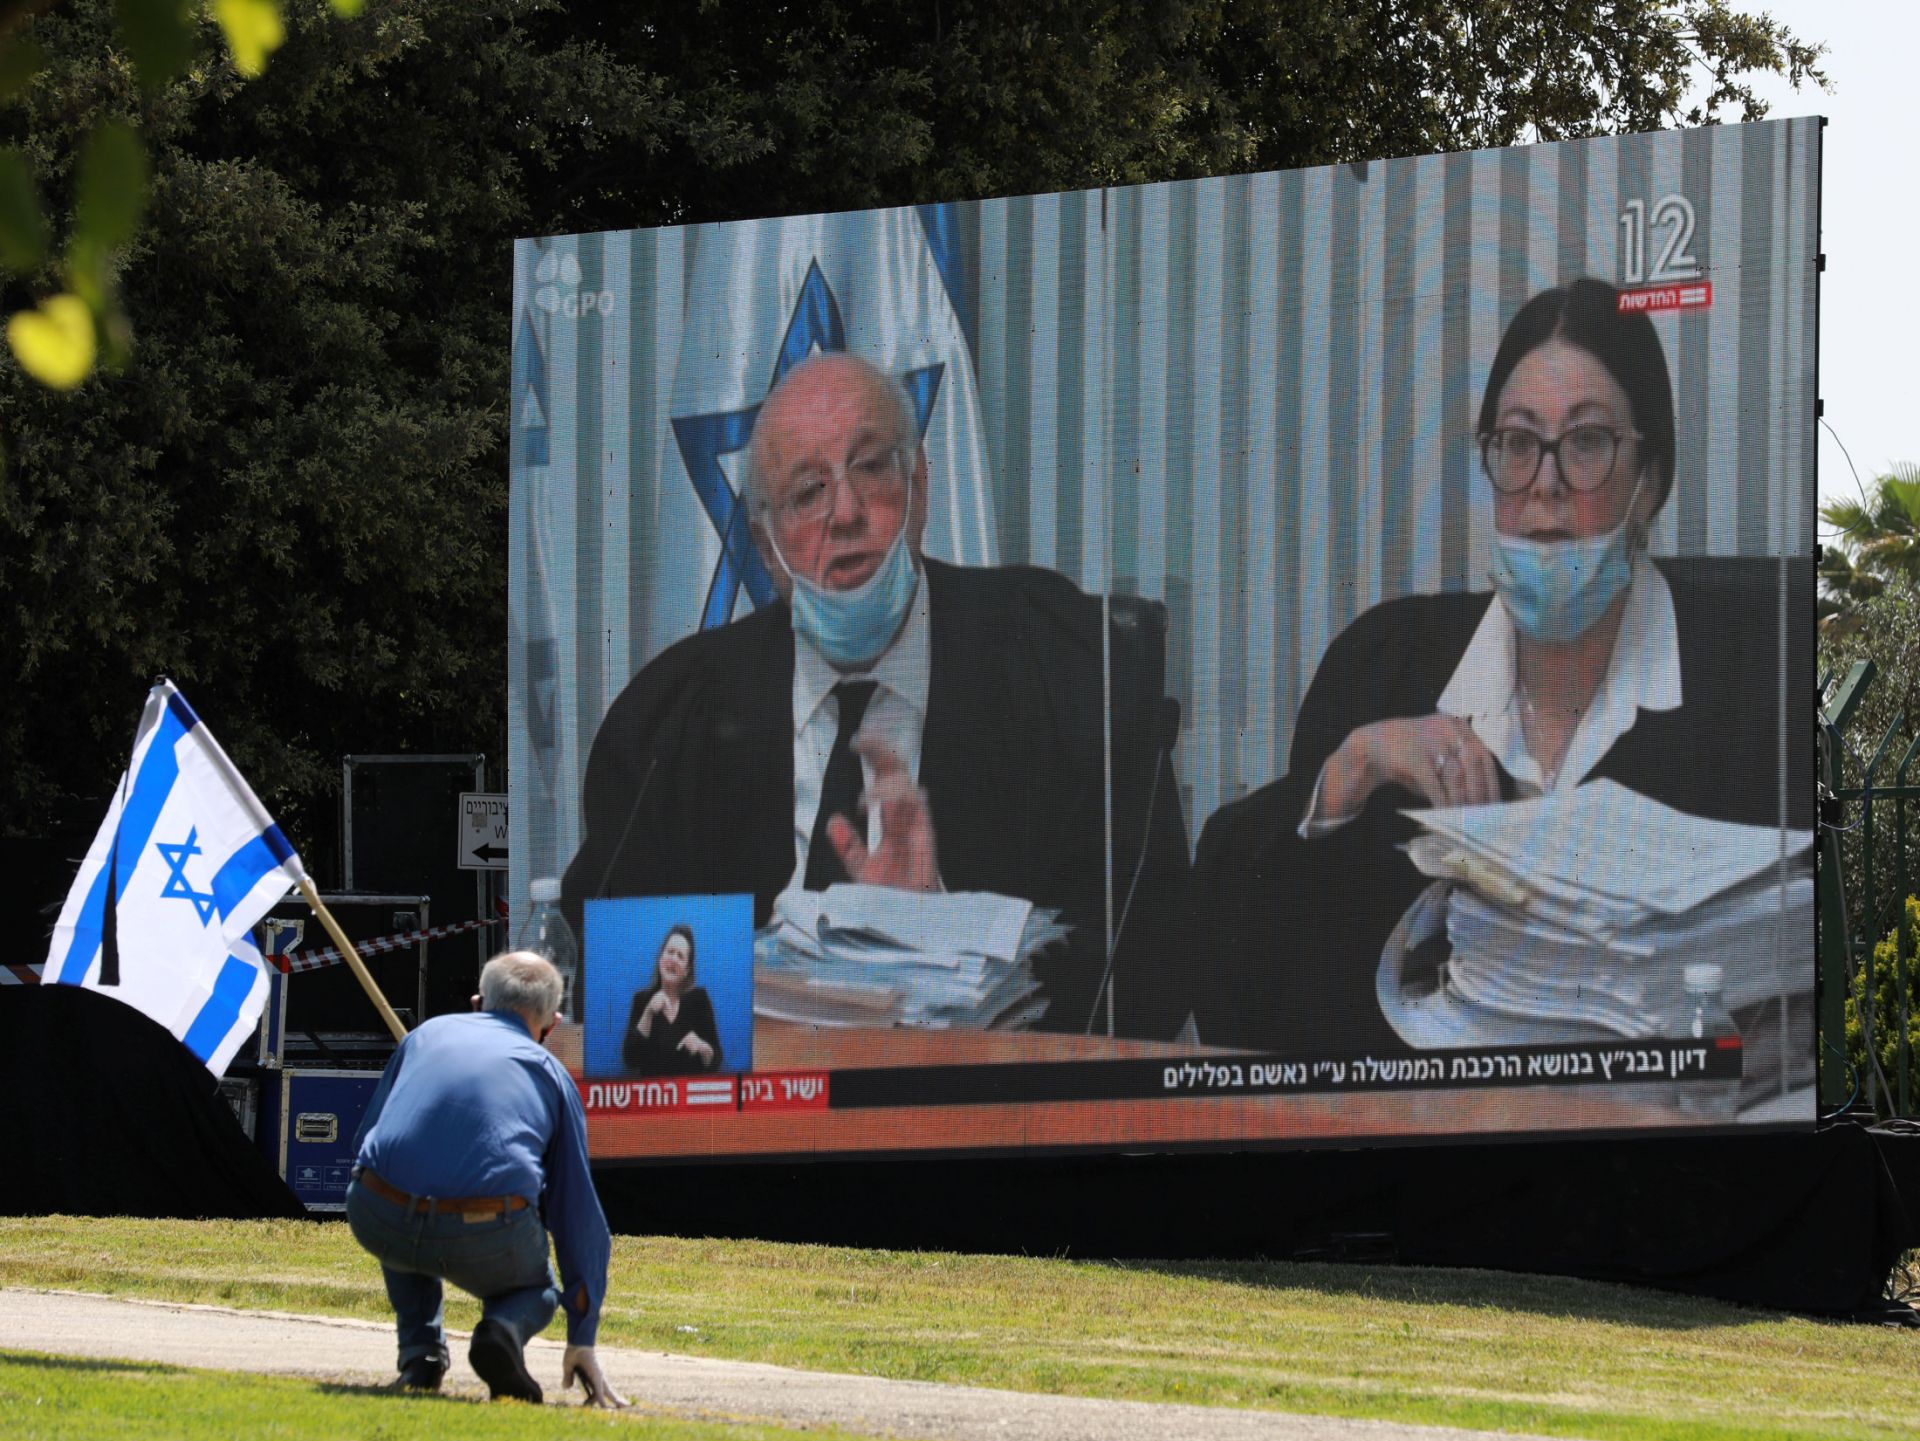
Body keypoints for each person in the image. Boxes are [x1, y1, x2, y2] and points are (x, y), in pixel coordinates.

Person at [1189, 277, 1812, 1056]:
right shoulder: (1381, 662)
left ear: (1648, 483)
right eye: (1518, 442)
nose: (1545, 483)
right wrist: (1350, 771)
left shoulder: (1758, 682)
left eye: (1586, 442)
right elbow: (1228, 987)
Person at [563, 351, 1189, 1036]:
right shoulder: (671, 721)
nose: (847, 511)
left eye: (869, 467)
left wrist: (938, 934)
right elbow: (612, 988)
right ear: (766, 549)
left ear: (919, 487)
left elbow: (1153, 966)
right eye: (807, 492)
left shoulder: (1064, 668)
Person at [346, 951, 629, 1407]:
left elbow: (364, 1141)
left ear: (478, 1002)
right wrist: (582, 1336)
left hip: (377, 1212)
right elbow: (575, 1214)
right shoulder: (553, 1076)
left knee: (401, 1200)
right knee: (535, 1291)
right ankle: (501, 1331)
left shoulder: (425, 1035)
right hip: (482, 1232)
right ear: (552, 1025)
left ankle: (421, 1357)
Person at [622, 923, 723, 1075]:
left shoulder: (699, 1000)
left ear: (686, 970)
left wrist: (703, 1049)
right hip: (654, 1095)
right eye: (670, 952)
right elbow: (630, 1060)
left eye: (680, 956)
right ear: (660, 957)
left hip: (688, 1094)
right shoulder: (642, 1000)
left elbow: (716, 1060)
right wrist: (648, 1013)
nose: (673, 959)